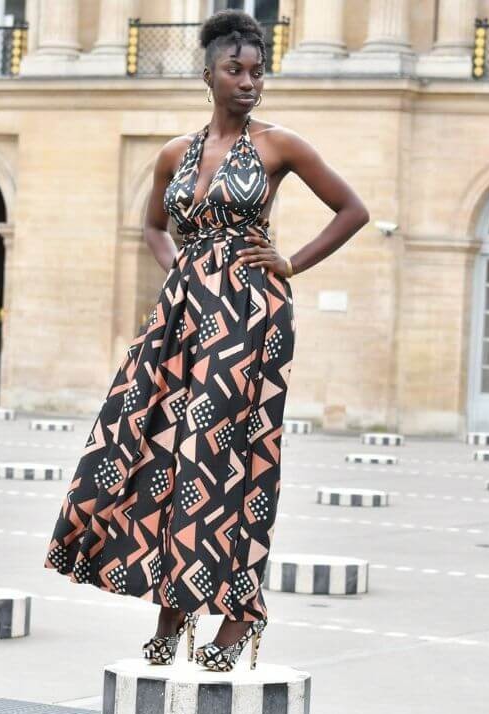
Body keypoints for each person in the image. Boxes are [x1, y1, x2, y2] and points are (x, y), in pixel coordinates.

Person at [44, 9, 369, 672]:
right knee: (149, 442)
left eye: (257, 71)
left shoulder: (279, 146)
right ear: (208, 75)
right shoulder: (175, 154)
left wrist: (289, 263)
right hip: (183, 315)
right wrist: (183, 271)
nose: (249, 82)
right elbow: (153, 226)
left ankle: (239, 611)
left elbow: (353, 210)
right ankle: (175, 599)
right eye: (235, 69)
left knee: (226, 454)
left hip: (248, 317)